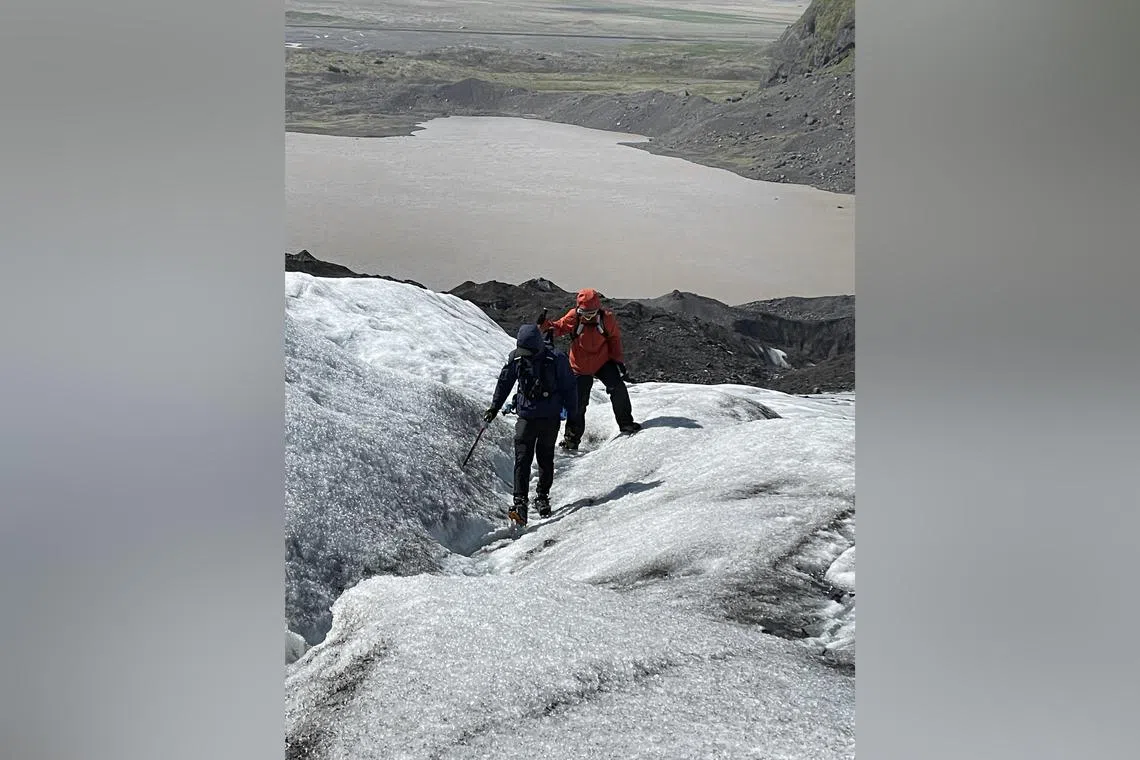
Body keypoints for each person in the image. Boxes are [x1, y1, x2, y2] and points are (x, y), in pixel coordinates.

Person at [484, 323, 577, 526]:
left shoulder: (556, 359)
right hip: (527, 416)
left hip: (549, 417)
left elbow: (570, 388)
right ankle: (520, 503)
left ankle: (542, 496)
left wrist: (573, 416)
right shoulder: (518, 358)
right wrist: (494, 407)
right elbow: (505, 382)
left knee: (545, 458)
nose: (525, 355)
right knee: (522, 457)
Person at [542, 288, 641, 452]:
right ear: (579, 310)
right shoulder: (574, 316)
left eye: (592, 313)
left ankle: (626, 424)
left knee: (618, 388)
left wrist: (617, 360)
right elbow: (559, 327)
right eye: (585, 313)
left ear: (598, 309)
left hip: (602, 361)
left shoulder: (606, 318)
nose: (588, 316)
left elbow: (614, 339)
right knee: (578, 404)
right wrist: (546, 326)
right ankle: (571, 440)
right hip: (580, 366)